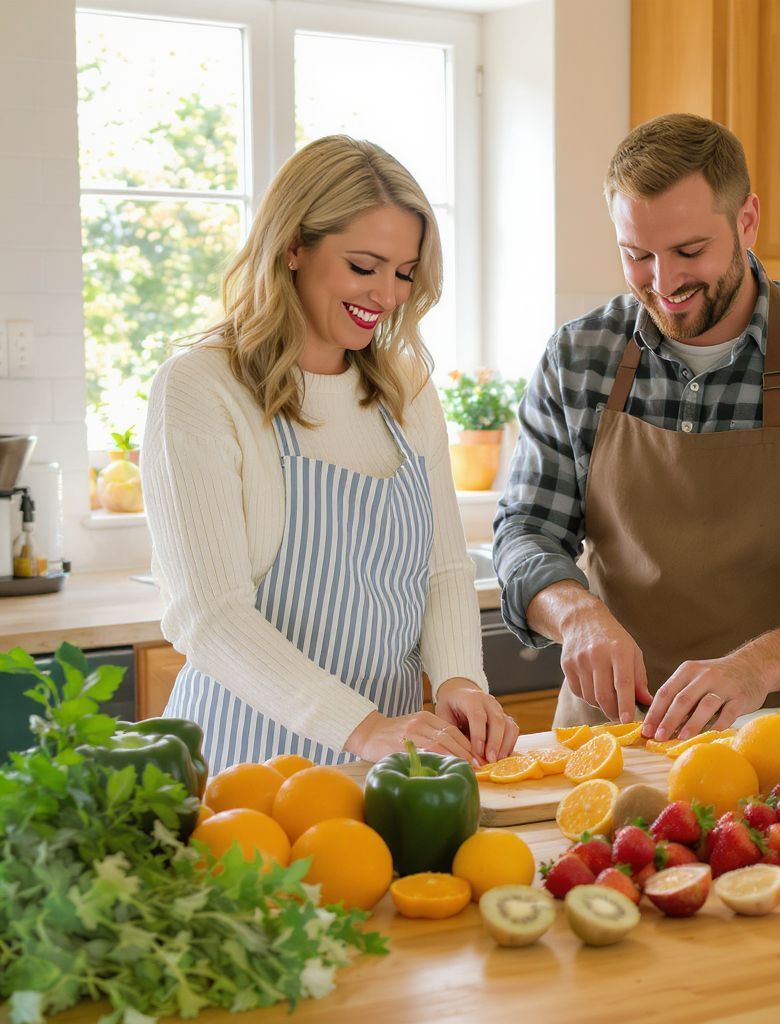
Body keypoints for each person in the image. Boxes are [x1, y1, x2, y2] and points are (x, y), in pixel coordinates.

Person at [493, 113, 780, 742]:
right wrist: (577, 616)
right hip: (612, 742)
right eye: (637, 255)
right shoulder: (578, 357)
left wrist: (754, 668)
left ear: (747, 220)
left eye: (689, 251)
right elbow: (525, 529)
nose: (664, 281)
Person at [144, 135, 519, 774]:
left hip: (388, 771)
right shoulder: (201, 387)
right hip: (247, 770)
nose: (387, 295)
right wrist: (363, 726)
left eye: (404, 273)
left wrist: (460, 680)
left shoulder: (408, 390)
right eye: (364, 266)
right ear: (293, 247)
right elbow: (209, 616)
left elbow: (443, 570)